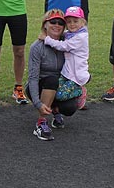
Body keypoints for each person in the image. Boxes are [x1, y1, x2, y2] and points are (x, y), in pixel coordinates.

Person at [26, 9, 81, 141]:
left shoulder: (68, 45)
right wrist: (37, 103)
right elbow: (33, 78)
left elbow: (78, 66)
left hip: (60, 86)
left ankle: (55, 110)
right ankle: (41, 122)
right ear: (45, 25)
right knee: (51, 80)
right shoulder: (37, 47)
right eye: (53, 22)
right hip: (40, 86)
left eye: (61, 23)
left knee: (70, 108)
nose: (57, 25)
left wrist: (81, 84)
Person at [43, 6, 90, 112]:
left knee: (59, 95)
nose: (72, 24)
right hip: (68, 72)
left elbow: (64, 46)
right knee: (54, 90)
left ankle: (80, 91)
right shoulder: (72, 33)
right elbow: (65, 35)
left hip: (76, 76)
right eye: (69, 22)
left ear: (82, 22)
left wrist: (47, 39)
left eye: (75, 21)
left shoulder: (81, 37)